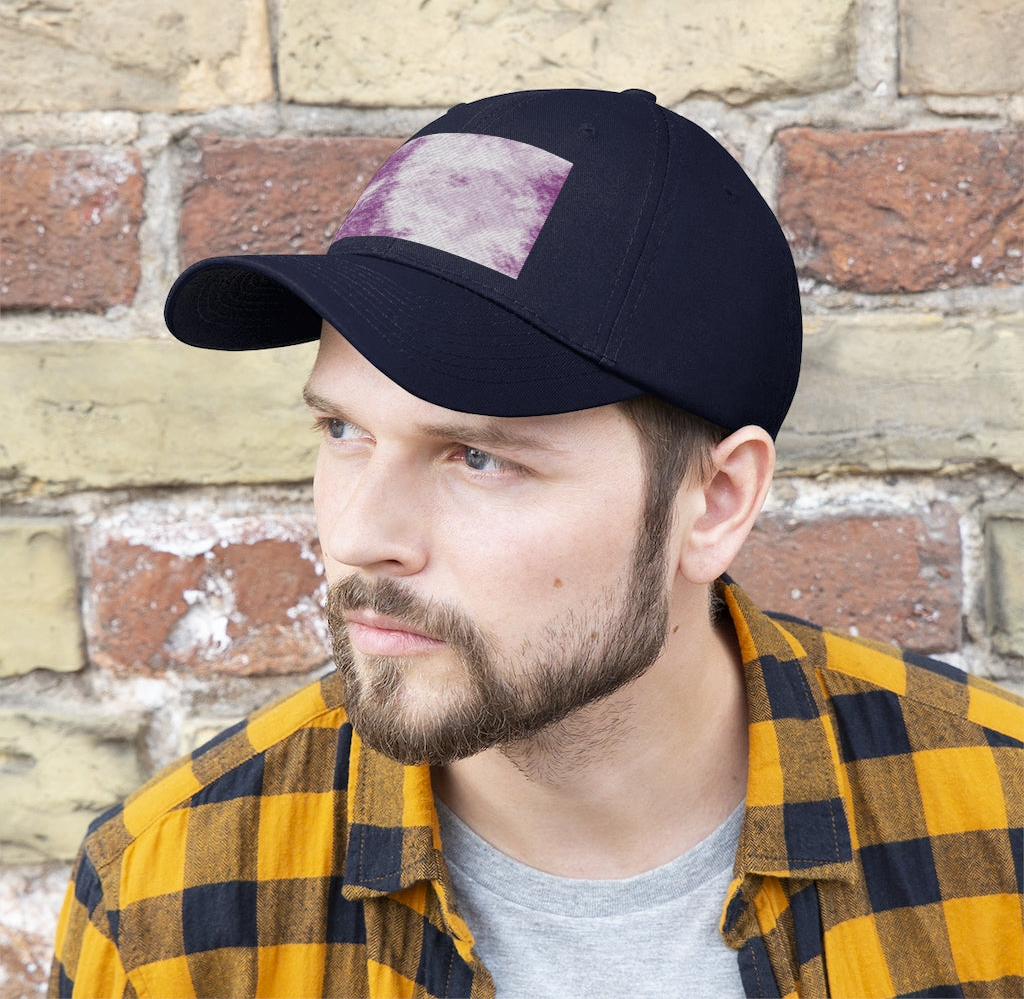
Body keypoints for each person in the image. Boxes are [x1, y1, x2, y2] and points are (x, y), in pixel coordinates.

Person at [51, 88, 1022, 999]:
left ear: (715, 501)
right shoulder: (167, 904)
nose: (359, 536)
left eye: (476, 456)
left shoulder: (999, 828)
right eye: (344, 432)